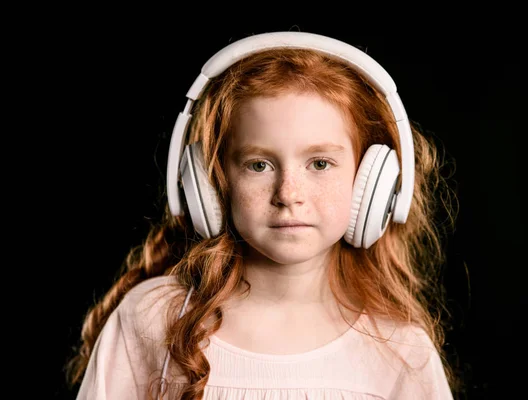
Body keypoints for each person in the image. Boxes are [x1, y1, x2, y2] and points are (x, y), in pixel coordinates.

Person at [66, 31, 459, 399]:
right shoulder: (152, 319)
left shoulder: (401, 350)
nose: (288, 194)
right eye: (258, 165)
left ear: (371, 185)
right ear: (211, 183)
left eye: (320, 163)